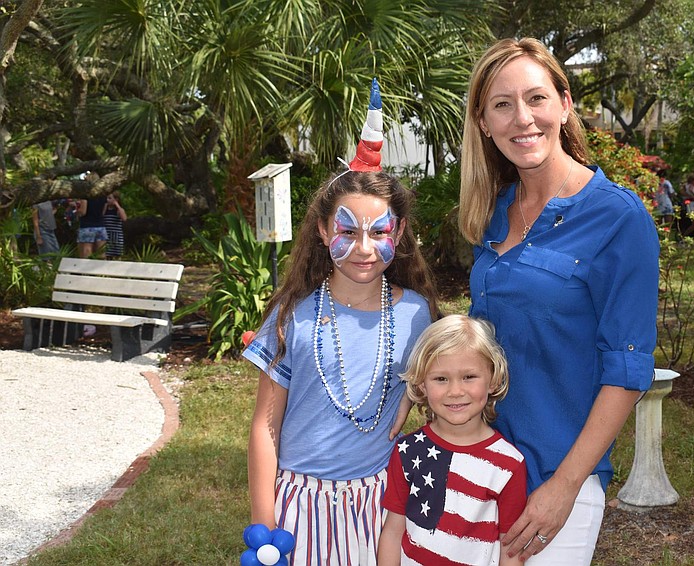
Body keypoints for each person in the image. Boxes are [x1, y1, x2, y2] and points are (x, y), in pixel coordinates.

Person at [458, 38, 659, 565]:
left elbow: (628, 369)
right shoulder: (494, 212)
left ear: (565, 104)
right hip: (479, 467)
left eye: (536, 98)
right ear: (483, 122)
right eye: (502, 104)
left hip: (554, 480)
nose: (522, 118)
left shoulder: (618, 219)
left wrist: (565, 487)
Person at [242, 78, 441, 566]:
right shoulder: (293, 315)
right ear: (323, 229)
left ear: (399, 233)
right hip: (300, 510)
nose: (364, 249)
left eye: (379, 232)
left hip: (380, 508)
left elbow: (451, 381)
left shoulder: (417, 314)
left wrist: (414, 393)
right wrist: (265, 528)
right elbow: (265, 429)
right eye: (347, 231)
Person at [377, 315, 527, 566]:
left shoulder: (508, 464)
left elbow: (509, 549)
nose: (455, 391)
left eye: (469, 377)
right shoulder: (408, 450)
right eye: (441, 379)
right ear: (421, 384)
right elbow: (393, 532)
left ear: (493, 379)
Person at [76, 173, 108, 258]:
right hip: (100, 225)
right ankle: (102, 269)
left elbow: (83, 211)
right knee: (101, 252)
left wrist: (76, 211)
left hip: (87, 226)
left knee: (87, 252)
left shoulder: (86, 195)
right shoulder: (103, 195)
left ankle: (86, 270)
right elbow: (103, 212)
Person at [103, 191, 127, 259]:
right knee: (106, 254)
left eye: (110, 198)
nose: (107, 200)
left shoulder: (118, 210)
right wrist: (105, 206)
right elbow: (101, 216)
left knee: (117, 255)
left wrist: (117, 205)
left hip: (116, 236)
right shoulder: (105, 208)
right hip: (106, 235)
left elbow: (124, 218)